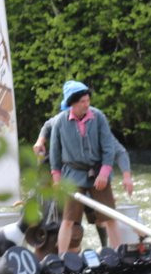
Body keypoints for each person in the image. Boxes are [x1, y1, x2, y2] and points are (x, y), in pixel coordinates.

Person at [34, 111, 134, 248]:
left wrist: (126, 176)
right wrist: (40, 140)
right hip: (70, 179)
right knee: (69, 221)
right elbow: (47, 127)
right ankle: (64, 256)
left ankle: (108, 249)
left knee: (104, 217)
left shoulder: (99, 127)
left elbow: (119, 152)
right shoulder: (61, 121)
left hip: (95, 178)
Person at [49, 80, 122, 254]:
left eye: (88, 101)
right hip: (72, 175)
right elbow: (55, 153)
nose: (86, 105)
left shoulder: (98, 117)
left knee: (110, 217)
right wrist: (57, 179)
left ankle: (118, 252)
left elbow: (108, 148)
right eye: (82, 102)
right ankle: (61, 258)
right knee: (68, 220)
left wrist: (104, 173)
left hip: (97, 172)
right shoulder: (60, 122)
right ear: (72, 103)